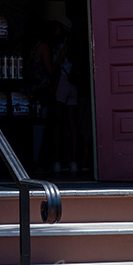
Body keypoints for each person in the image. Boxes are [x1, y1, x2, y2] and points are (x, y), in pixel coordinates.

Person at [33, 18, 79, 174]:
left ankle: (57, 161)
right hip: (73, 85)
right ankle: (73, 162)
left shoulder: (57, 47)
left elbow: (52, 70)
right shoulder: (73, 45)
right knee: (72, 124)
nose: (54, 31)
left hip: (62, 84)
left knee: (57, 124)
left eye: (56, 28)